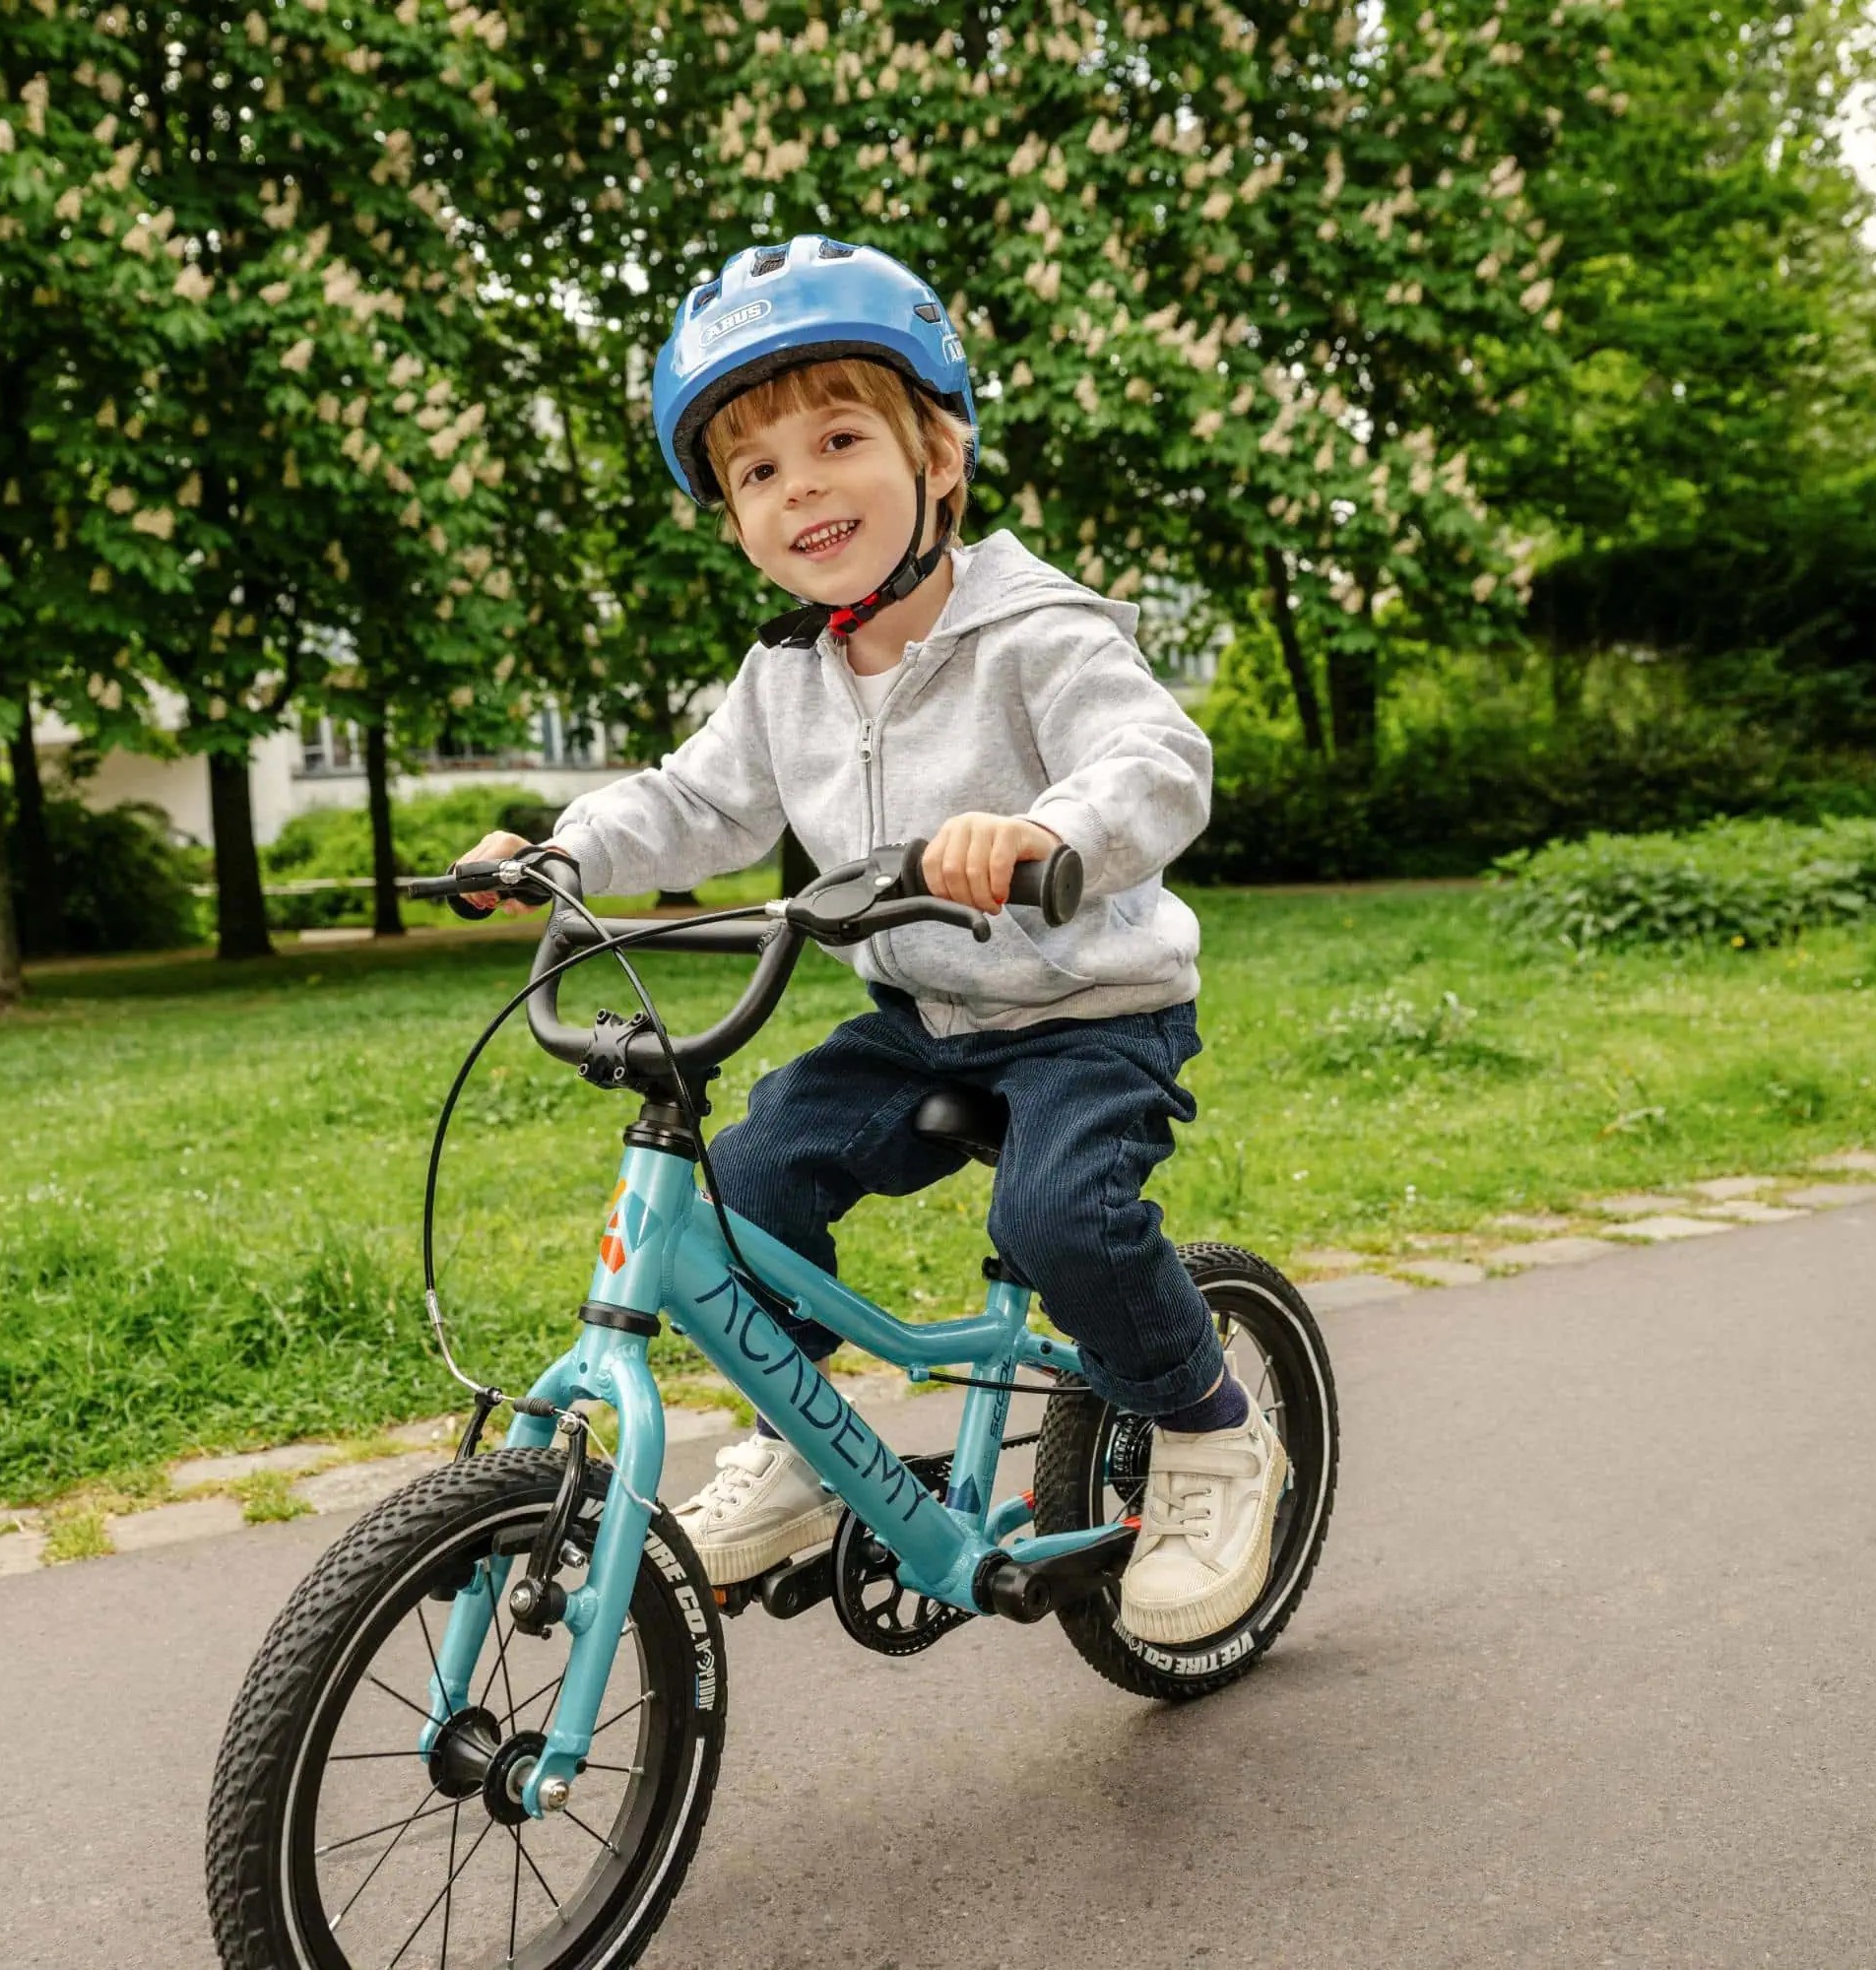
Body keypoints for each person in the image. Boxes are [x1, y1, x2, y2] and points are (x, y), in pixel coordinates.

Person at [456, 235, 1282, 1645]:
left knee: (1058, 1217)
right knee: (751, 1178)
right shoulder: (785, 676)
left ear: (940, 455)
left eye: (840, 438)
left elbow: (1154, 755)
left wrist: (1041, 831)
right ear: (731, 519)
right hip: (923, 1016)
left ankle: (1211, 1432)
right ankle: (800, 1451)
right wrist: (561, 850)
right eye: (757, 471)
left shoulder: (1038, 627)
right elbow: (695, 799)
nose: (803, 486)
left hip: (1089, 1008)